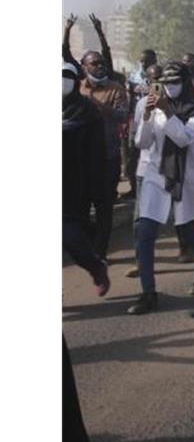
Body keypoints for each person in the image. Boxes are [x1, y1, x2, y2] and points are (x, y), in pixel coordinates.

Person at [130, 62, 194, 315]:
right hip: (156, 174)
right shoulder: (152, 106)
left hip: (184, 176)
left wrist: (167, 113)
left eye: (175, 82)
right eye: (166, 83)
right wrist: (146, 117)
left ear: (186, 82)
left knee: (186, 229)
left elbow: (185, 138)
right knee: (144, 231)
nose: (170, 87)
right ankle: (148, 292)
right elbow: (142, 143)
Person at [68, 32, 129, 261]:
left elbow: (122, 116)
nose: (100, 66)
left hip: (107, 158)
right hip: (79, 159)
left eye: (102, 63)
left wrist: (95, 103)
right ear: (84, 67)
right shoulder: (75, 89)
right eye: (94, 63)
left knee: (104, 209)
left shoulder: (115, 89)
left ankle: (100, 252)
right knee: (80, 209)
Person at [63, 62, 111, 297]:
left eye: (66, 76)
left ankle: (96, 267)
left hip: (73, 185)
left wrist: (97, 190)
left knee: (72, 239)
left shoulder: (87, 112)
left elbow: (96, 155)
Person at [125, 64, 163, 279]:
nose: (157, 84)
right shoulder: (141, 104)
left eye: (161, 79)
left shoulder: (174, 103)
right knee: (140, 220)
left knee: (179, 220)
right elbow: (140, 136)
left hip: (169, 169)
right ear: (147, 82)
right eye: (152, 80)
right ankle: (141, 261)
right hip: (146, 167)